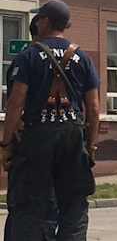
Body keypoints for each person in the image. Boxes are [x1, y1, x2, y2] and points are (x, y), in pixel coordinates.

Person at [0, 0, 101, 241]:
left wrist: (5, 143)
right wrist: (91, 146)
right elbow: (94, 108)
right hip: (73, 135)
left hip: (38, 135)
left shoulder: (28, 57)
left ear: (44, 22)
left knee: (30, 203)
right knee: (74, 204)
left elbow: (15, 102)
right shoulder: (83, 58)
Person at [4, 15, 60, 241]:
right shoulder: (30, 60)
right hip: (44, 143)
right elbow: (16, 103)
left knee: (22, 205)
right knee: (43, 205)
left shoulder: (25, 60)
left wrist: (6, 143)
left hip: (30, 143)